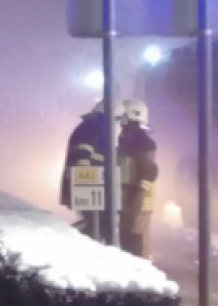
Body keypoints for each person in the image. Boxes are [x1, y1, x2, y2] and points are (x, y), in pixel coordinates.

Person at [60, 101, 112, 240]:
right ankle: (73, 240)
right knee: (96, 223)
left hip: (93, 185)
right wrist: (88, 186)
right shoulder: (92, 128)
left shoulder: (90, 126)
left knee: (96, 222)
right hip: (93, 185)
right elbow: (82, 155)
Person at [118, 99, 159, 259]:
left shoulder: (140, 141)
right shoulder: (132, 138)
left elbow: (149, 171)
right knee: (132, 235)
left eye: (123, 116)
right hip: (133, 197)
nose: (120, 121)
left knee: (135, 236)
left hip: (137, 199)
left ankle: (141, 268)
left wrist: (137, 195)